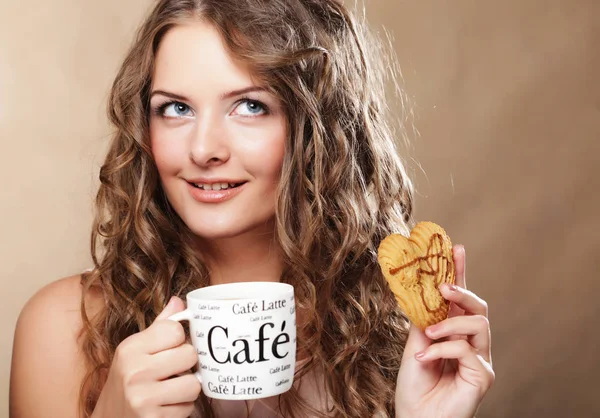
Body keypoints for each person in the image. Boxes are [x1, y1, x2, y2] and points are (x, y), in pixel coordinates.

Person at [9, 0, 494, 417]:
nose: (203, 149)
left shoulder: (391, 335)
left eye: (249, 106)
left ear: (317, 131)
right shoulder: (64, 332)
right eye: (176, 108)